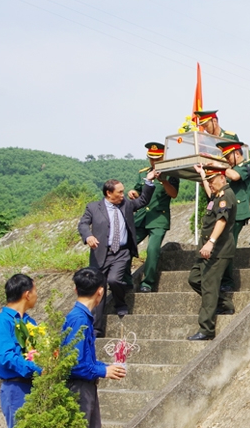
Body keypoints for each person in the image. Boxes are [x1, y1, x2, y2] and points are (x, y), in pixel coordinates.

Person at [78, 174, 155, 336]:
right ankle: (97, 328)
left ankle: (120, 302)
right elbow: (83, 223)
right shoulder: (93, 207)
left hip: (121, 252)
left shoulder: (126, 205)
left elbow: (142, 201)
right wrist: (88, 236)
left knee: (114, 279)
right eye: (119, 192)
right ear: (108, 193)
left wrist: (149, 181)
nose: (122, 195)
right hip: (100, 253)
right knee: (98, 289)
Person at [63, 267, 126, 428]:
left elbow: (85, 358)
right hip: (79, 388)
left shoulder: (82, 317)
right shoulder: (79, 319)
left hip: (86, 386)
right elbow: (75, 364)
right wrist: (103, 371)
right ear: (100, 291)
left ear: (75, 289)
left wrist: (106, 367)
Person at [187, 165, 237, 340]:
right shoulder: (216, 195)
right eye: (208, 181)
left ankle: (206, 329)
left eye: (212, 180)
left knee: (209, 287)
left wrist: (211, 242)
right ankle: (224, 303)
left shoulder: (225, 196)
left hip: (217, 250)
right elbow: (210, 193)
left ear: (222, 178)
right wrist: (202, 174)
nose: (210, 184)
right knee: (194, 279)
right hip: (208, 250)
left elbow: (222, 220)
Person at [0, 274, 41, 428]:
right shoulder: (1, 322)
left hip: (36, 385)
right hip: (16, 389)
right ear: (27, 294)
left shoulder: (30, 322)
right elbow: (6, 357)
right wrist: (37, 368)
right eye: (35, 290)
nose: (37, 295)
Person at [129, 142, 179, 293]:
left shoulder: (172, 173)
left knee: (152, 249)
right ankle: (123, 278)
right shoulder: (143, 173)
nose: (153, 161)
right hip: (142, 216)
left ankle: (147, 283)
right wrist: (133, 193)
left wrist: (163, 180)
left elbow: (174, 194)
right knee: (127, 245)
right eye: (151, 158)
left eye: (157, 158)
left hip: (158, 218)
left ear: (164, 157)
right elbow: (138, 192)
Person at [217, 141, 250, 292]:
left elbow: (235, 176)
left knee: (228, 244)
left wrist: (220, 167)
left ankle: (227, 281)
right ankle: (224, 279)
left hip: (239, 210)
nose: (226, 161)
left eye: (228, 157)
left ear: (237, 154)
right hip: (227, 209)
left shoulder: (249, 164)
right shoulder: (230, 168)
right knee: (225, 244)